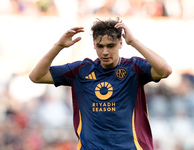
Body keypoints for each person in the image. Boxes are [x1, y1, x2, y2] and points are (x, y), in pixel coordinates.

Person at [29, 18, 172, 150]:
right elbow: (36, 76)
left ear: (120, 43)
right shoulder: (81, 70)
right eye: (100, 46)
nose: (105, 52)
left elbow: (165, 70)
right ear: (94, 45)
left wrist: (134, 41)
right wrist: (58, 46)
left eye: (110, 46)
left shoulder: (134, 67)